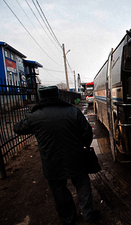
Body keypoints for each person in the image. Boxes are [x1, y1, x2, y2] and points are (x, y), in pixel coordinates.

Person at [14, 86, 100, 225]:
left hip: (51, 161)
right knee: (82, 185)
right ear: (58, 95)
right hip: (75, 157)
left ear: (40, 97)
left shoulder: (35, 116)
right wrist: (82, 146)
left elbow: (17, 128)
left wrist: (33, 113)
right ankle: (88, 213)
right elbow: (86, 132)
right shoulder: (72, 111)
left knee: (59, 190)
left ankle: (68, 218)